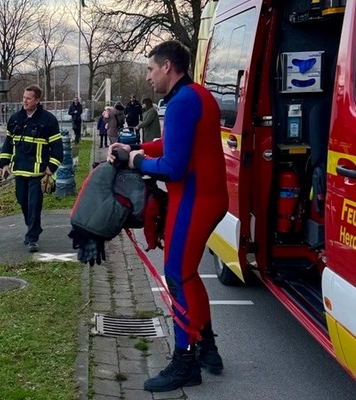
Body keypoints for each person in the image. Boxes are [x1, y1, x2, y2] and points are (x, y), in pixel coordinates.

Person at [108, 40, 228, 392]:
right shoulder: (196, 95)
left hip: (193, 200)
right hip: (207, 198)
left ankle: (184, 362)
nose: (147, 76)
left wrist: (135, 161)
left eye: (150, 69)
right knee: (189, 274)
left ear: (168, 67)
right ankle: (208, 349)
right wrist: (137, 148)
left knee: (176, 276)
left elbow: (174, 167)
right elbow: (174, 144)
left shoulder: (180, 103)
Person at [0, 85, 63, 253]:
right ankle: (33, 227)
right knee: (22, 201)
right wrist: (5, 164)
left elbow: (57, 147)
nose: (25, 101)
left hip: (39, 171)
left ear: (37, 100)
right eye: (24, 97)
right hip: (20, 169)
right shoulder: (15, 118)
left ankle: (32, 238)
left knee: (34, 204)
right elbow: (8, 143)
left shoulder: (48, 120)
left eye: (28, 98)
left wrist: (52, 167)